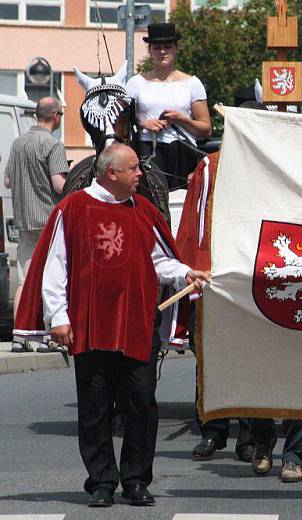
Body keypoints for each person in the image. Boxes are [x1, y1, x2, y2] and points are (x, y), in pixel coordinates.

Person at [12, 143, 209, 507]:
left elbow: (159, 261)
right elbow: (56, 266)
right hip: (91, 325)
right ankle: (101, 481)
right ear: (111, 173)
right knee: (95, 407)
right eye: (134, 169)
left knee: (141, 404)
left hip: (136, 323)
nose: (141, 175)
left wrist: (184, 273)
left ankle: (136, 479)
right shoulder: (73, 208)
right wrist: (58, 317)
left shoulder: (143, 211)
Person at [3, 96, 68, 353]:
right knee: (48, 280)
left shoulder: (17, 143)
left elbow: (8, 181)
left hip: (22, 221)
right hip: (47, 220)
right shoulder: (52, 145)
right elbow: (58, 184)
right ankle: (48, 336)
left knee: (24, 280)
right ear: (55, 116)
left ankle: (19, 335)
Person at [125, 23, 211, 189]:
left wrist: (182, 119)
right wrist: (144, 124)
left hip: (182, 150)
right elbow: (121, 122)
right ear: (150, 50)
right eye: (157, 47)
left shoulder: (192, 83)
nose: (162, 52)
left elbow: (205, 128)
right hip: (148, 148)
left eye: (167, 47)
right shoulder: (136, 83)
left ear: (176, 49)